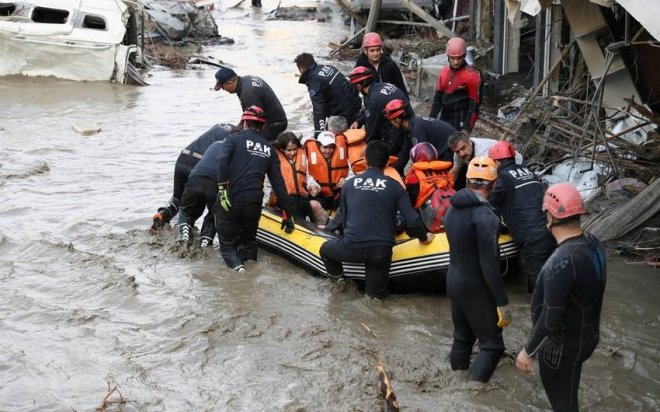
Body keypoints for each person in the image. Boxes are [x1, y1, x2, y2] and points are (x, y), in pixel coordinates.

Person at [516, 182, 607, 412]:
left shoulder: (562, 261)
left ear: (550, 216)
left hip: (560, 348)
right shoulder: (593, 243)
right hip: (586, 337)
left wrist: (529, 351)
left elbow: (551, 316)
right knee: (568, 395)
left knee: (563, 404)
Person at [320, 141, 433, 300]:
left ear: (365, 161)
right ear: (387, 163)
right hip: (381, 251)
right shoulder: (395, 186)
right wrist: (423, 236)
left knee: (325, 249)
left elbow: (340, 218)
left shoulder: (349, 185)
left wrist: (326, 230)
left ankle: (340, 284)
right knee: (375, 300)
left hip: (353, 246)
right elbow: (412, 220)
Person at [444, 156, 511, 384]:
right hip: (475, 286)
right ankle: (471, 397)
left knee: (462, 339)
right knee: (492, 346)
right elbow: (489, 264)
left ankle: (456, 383)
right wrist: (502, 303)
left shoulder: (452, 208)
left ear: (467, 181)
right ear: (494, 183)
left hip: (453, 280)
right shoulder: (485, 216)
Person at [215, 106, 295, 272]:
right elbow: (279, 184)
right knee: (249, 242)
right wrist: (288, 214)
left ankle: (240, 272)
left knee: (227, 247)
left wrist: (223, 190)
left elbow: (222, 161)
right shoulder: (269, 150)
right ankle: (251, 272)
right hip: (254, 203)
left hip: (231, 199)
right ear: (263, 126)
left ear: (244, 123)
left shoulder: (232, 139)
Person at [488, 141, 556, 292]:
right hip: (551, 231)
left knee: (537, 287)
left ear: (497, 162)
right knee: (553, 278)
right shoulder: (530, 172)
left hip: (532, 237)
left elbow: (490, 206)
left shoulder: (502, 179)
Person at [152, 123, 234, 231]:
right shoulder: (237, 137)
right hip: (199, 165)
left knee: (177, 198)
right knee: (197, 203)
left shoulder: (221, 125)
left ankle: (162, 214)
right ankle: (184, 230)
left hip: (183, 158)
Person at [348, 66, 412, 174]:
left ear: (358, 86)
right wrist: (358, 121)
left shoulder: (375, 99)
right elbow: (370, 111)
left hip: (397, 134)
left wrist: (364, 153)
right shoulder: (380, 87)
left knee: (390, 166)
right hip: (406, 126)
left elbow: (371, 131)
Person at [175, 138, 229, 248]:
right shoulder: (234, 150)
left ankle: (184, 233)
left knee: (185, 210)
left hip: (195, 177)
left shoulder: (215, 143)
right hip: (215, 183)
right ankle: (206, 240)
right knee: (213, 214)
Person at [213, 67, 288, 142]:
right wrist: (239, 126)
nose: (223, 89)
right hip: (277, 119)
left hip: (274, 124)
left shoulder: (247, 93)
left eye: (222, 87)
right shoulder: (246, 80)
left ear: (229, 83)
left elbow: (254, 121)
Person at [294, 53, 362, 134]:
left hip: (346, 113)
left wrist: (318, 133)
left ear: (301, 68)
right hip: (356, 103)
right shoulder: (327, 67)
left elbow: (319, 109)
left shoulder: (314, 81)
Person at [273, 131, 327, 225]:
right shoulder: (275, 159)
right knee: (294, 206)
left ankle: (326, 229)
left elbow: (306, 175)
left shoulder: (301, 155)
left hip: (301, 197)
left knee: (314, 205)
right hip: (284, 199)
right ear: (281, 149)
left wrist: (313, 185)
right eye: (289, 150)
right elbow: (269, 184)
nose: (293, 152)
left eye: (295, 149)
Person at [428, 37, 481, 132]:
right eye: (453, 58)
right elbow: (438, 98)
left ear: (464, 56)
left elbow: (474, 105)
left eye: (459, 58)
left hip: (460, 121)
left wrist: (466, 129)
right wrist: (431, 119)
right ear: (448, 56)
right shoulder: (444, 72)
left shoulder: (472, 76)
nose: (456, 62)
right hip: (444, 118)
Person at [383, 98, 456, 162]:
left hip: (451, 150)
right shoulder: (411, 127)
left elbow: (421, 158)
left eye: (391, 121)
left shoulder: (417, 128)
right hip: (446, 149)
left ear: (398, 119)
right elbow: (404, 153)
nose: (391, 124)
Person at [448, 131, 523, 190]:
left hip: (514, 163)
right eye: (457, 151)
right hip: (496, 167)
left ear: (469, 142)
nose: (461, 153)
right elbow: (454, 172)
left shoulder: (483, 152)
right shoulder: (458, 154)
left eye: (463, 148)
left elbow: (485, 181)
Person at [304, 130, 350, 212]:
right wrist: (311, 184)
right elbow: (305, 175)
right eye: (325, 147)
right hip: (320, 195)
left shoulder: (342, 157)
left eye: (331, 147)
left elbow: (352, 173)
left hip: (337, 195)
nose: (328, 151)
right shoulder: (309, 157)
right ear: (318, 146)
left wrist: (345, 181)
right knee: (311, 204)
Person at [355, 32, 409, 98]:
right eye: (372, 51)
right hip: (371, 102)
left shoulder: (390, 65)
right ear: (366, 51)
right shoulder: (361, 66)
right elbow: (356, 88)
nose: (375, 53)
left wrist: (406, 105)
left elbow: (401, 87)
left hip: (390, 101)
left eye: (378, 50)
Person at [404, 142, 453, 211]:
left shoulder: (414, 177)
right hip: (449, 208)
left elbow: (409, 202)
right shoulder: (447, 173)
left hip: (427, 213)